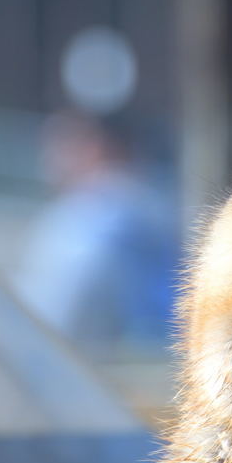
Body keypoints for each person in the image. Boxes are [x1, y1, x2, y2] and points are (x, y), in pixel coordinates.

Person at [17, 112, 177, 353]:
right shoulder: (152, 205)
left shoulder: (98, 215)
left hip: (96, 368)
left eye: (63, 142)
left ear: (96, 146)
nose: (49, 158)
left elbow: (63, 307)